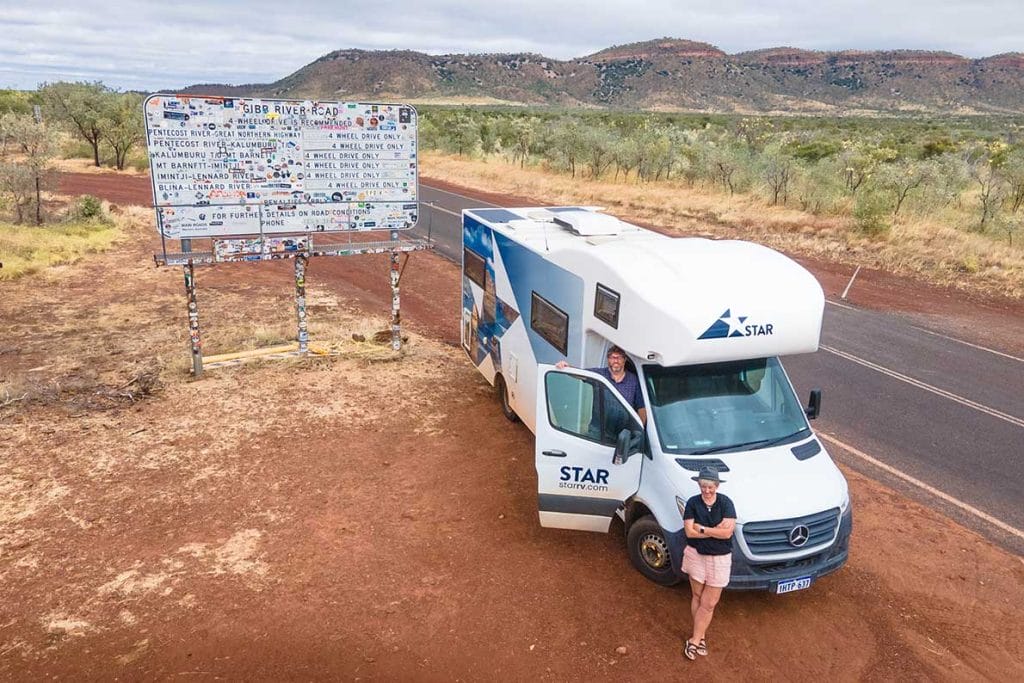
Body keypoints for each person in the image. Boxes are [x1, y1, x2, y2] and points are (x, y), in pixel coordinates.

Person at [681, 466, 736, 661]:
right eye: (703, 486)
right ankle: (700, 637)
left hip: (720, 559)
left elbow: (728, 533)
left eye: (710, 486)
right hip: (696, 555)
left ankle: (694, 640)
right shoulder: (693, 503)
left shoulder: (726, 503)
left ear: (717, 486)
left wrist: (702, 529)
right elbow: (689, 532)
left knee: (709, 603)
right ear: (699, 485)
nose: (706, 490)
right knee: (697, 595)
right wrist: (716, 531)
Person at [556, 345, 646, 425]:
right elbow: (580, 375)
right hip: (598, 430)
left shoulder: (634, 380)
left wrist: (638, 430)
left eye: (619, 358)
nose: (616, 361)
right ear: (608, 360)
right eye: (612, 357)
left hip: (622, 431)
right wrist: (566, 368)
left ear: (624, 360)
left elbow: (641, 408)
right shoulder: (599, 374)